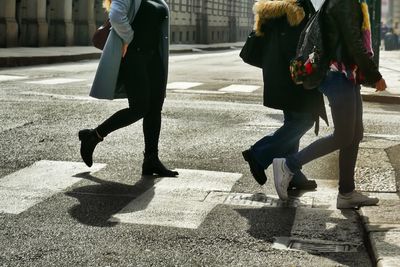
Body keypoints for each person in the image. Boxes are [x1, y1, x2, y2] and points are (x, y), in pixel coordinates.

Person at [272, 0, 387, 209]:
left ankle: (346, 193)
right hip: (336, 74)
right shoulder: (344, 2)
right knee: (344, 135)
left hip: (347, 75)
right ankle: (288, 165)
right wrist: (374, 74)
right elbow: (353, 42)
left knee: (355, 134)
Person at [78, 0, 178, 177]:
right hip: (134, 57)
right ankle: (93, 136)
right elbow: (116, 15)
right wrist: (129, 38)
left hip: (153, 58)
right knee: (139, 108)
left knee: (155, 109)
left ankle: (151, 160)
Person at [242, 0, 327, 190]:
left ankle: (292, 175)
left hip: (280, 76)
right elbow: (296, 48)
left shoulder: (279, 7)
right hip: (292, 79)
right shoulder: (294, 9)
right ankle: (259, 153)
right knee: (304, 120)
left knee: (293, 123)